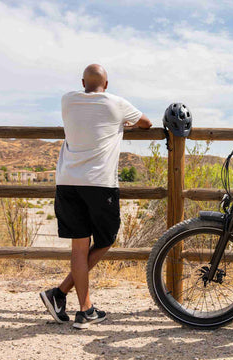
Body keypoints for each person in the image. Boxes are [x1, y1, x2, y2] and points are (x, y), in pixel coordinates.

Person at [40, 64, 152, 329]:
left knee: (79, 249)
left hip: (67, 182)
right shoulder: (117, 103)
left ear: (82, 82)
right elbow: (146, 124)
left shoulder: (67, 100)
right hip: (99, 184)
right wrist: (123, 123)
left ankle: (67, 298)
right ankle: (79, 305)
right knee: (107, 239)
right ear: (107, 84)